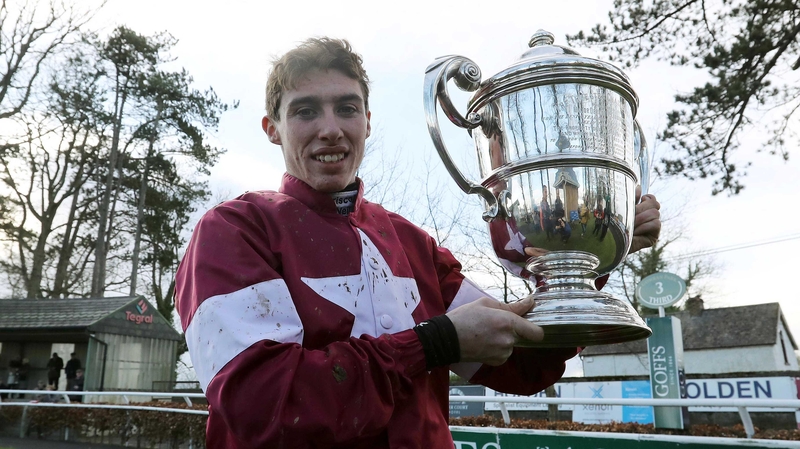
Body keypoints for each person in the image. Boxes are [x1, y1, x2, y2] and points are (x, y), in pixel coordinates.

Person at [175, 37, 661, 449]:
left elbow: (522, 364)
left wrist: (585, 258)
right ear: (272, 129)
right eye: (305, 111)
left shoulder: (411, 243)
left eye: (346, 108)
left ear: (367, 120)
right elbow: (262, 406)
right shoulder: (232, 231)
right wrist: (434, 343)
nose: (330, 128)